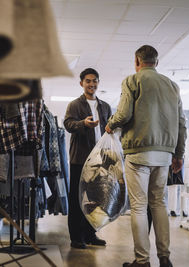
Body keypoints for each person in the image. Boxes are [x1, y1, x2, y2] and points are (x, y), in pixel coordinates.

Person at [106, 45, 186, 267]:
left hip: (139, 152)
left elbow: (123, 113)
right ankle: (165, 258)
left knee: (140, 206)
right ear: (156, 63)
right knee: (159, 203)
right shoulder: (173, 86)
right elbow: (181, 123)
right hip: (164, 155)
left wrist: (110, 125)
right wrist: (178, 154)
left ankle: (142, 261)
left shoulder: (132, 81)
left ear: (137, 61)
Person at [64, 68, 112, 249]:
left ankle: (90, 234)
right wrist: (83, 123)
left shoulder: (105, 106)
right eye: (88, 81)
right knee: (77, 199)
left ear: (98, 83)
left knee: (96, 199)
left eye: (95, 81)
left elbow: (108, 128)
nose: (92, 84)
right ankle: (76, 237)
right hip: (80, 159)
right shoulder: (75, 105)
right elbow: (68, 124)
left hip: (100, 160)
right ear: (81, 83)